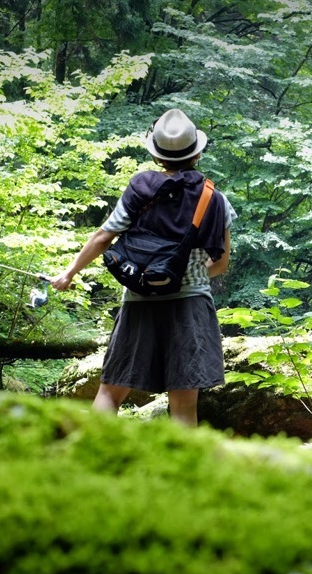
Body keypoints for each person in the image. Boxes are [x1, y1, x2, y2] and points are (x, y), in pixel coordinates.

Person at [51, 108, 236, 426]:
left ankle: (89, 457)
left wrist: (69, 273)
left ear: (157, 156)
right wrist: (184, 276)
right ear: (197, 153)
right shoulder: (214, 198)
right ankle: (179, 473)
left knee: (110, 392)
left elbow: (103, 237)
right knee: (183, 406)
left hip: (138, 302)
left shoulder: (139, 188)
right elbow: (220, 263)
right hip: (190, 304)